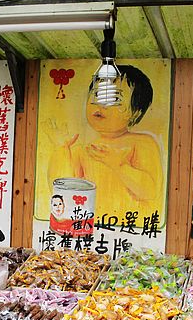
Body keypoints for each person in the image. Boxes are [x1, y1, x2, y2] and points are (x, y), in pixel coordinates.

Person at [47, 65, 163, 222]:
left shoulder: (142, 143)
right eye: (97, 95)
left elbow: (150, 191)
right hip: (95, 225)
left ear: (135, 113)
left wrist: (119, 165)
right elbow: (62, 193)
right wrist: (61, 149)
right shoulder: (84, 150)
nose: (101, 104)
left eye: (114, 99)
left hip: (131, 224)